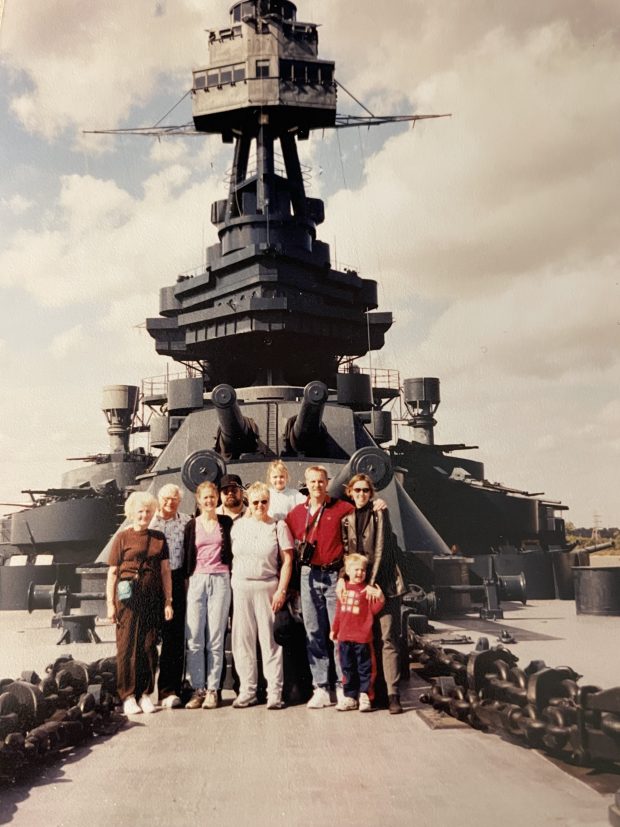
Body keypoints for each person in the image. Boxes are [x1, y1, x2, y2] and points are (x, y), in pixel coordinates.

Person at [285, 465, 354, 709]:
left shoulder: (343, 509)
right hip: (308, 575)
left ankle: (343, 686)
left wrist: (378, 504)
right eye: (313, 482)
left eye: (321, 481)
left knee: (338, 633)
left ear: (327, 482)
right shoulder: (295, 514)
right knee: (313, 632)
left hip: (334, 575)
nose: (317, 486)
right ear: (307, 484)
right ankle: (322, 687)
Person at [340, 473, 406, 714]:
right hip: (359, 588)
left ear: (372, 493)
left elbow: (380, 550)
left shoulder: (380, 513)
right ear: (350, 492)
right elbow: (347, 554)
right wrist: (342, 579)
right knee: (362, 642)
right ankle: (368, 691)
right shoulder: (346, 520)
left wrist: (373, 583)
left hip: (383, 587)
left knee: (388, 639)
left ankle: (393, 694)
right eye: (356, 490)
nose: (361, 495)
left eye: (365, 491)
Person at [106, 491, 173, 716]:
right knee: (126, 647)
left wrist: (168, 601)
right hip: (127, 600)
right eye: (140, 511)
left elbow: (165, 572)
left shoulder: (159, 538)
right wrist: (110, 604)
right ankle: (127, 695)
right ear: (132, 514)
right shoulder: (122, 538)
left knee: (148, 646)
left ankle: (144, 693)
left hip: (152, 598)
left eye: (148, 511)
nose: (145, 515)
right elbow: (113, 573)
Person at [230, 482, 294, 709]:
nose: (260, 506)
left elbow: (287, 561)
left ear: (269, 501)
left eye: (264, 502)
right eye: (255, 502)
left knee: (271, 642)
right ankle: (248, 691)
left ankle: (274, 692)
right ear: (249, 502)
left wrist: (281, 590)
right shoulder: (237, 526)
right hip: (241, 586)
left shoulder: (278, 526)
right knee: (243, 641)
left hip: (268, 587)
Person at [183, 480, 233, 709]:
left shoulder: (226, 522)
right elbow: (186, 557)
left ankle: (213, 689)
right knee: (194, 638)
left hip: (220, 579)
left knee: (215, 638)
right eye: (205, 498)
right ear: (199, 500)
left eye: (213, 497)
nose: (210, 501)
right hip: (197, 580)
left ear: (217, 499)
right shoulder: (191, 526)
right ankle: (198, 689)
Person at [149, 483, 191, 709]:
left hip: (176, 579)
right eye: (165, 498)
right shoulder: (149, 521)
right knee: (149, 638)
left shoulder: (186, 522)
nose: (169, 502)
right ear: (159, 499)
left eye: (174, 499)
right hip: (151, 581)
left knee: (174, 638)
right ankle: (143, 692)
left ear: (180, 501)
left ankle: (168, 691)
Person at [330, 553, 384, 711]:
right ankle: (350, 696)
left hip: (362, 638)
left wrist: (380, 597)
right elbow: (339, 613)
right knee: (347, 668)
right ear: (347, 570)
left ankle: (365, 695)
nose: (360, 573)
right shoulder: (343, 590)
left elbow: (374, 609)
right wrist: (335, 629)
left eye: (363, 570)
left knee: (365, 668)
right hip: (344, 638)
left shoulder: (367, 591)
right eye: (356, 570)